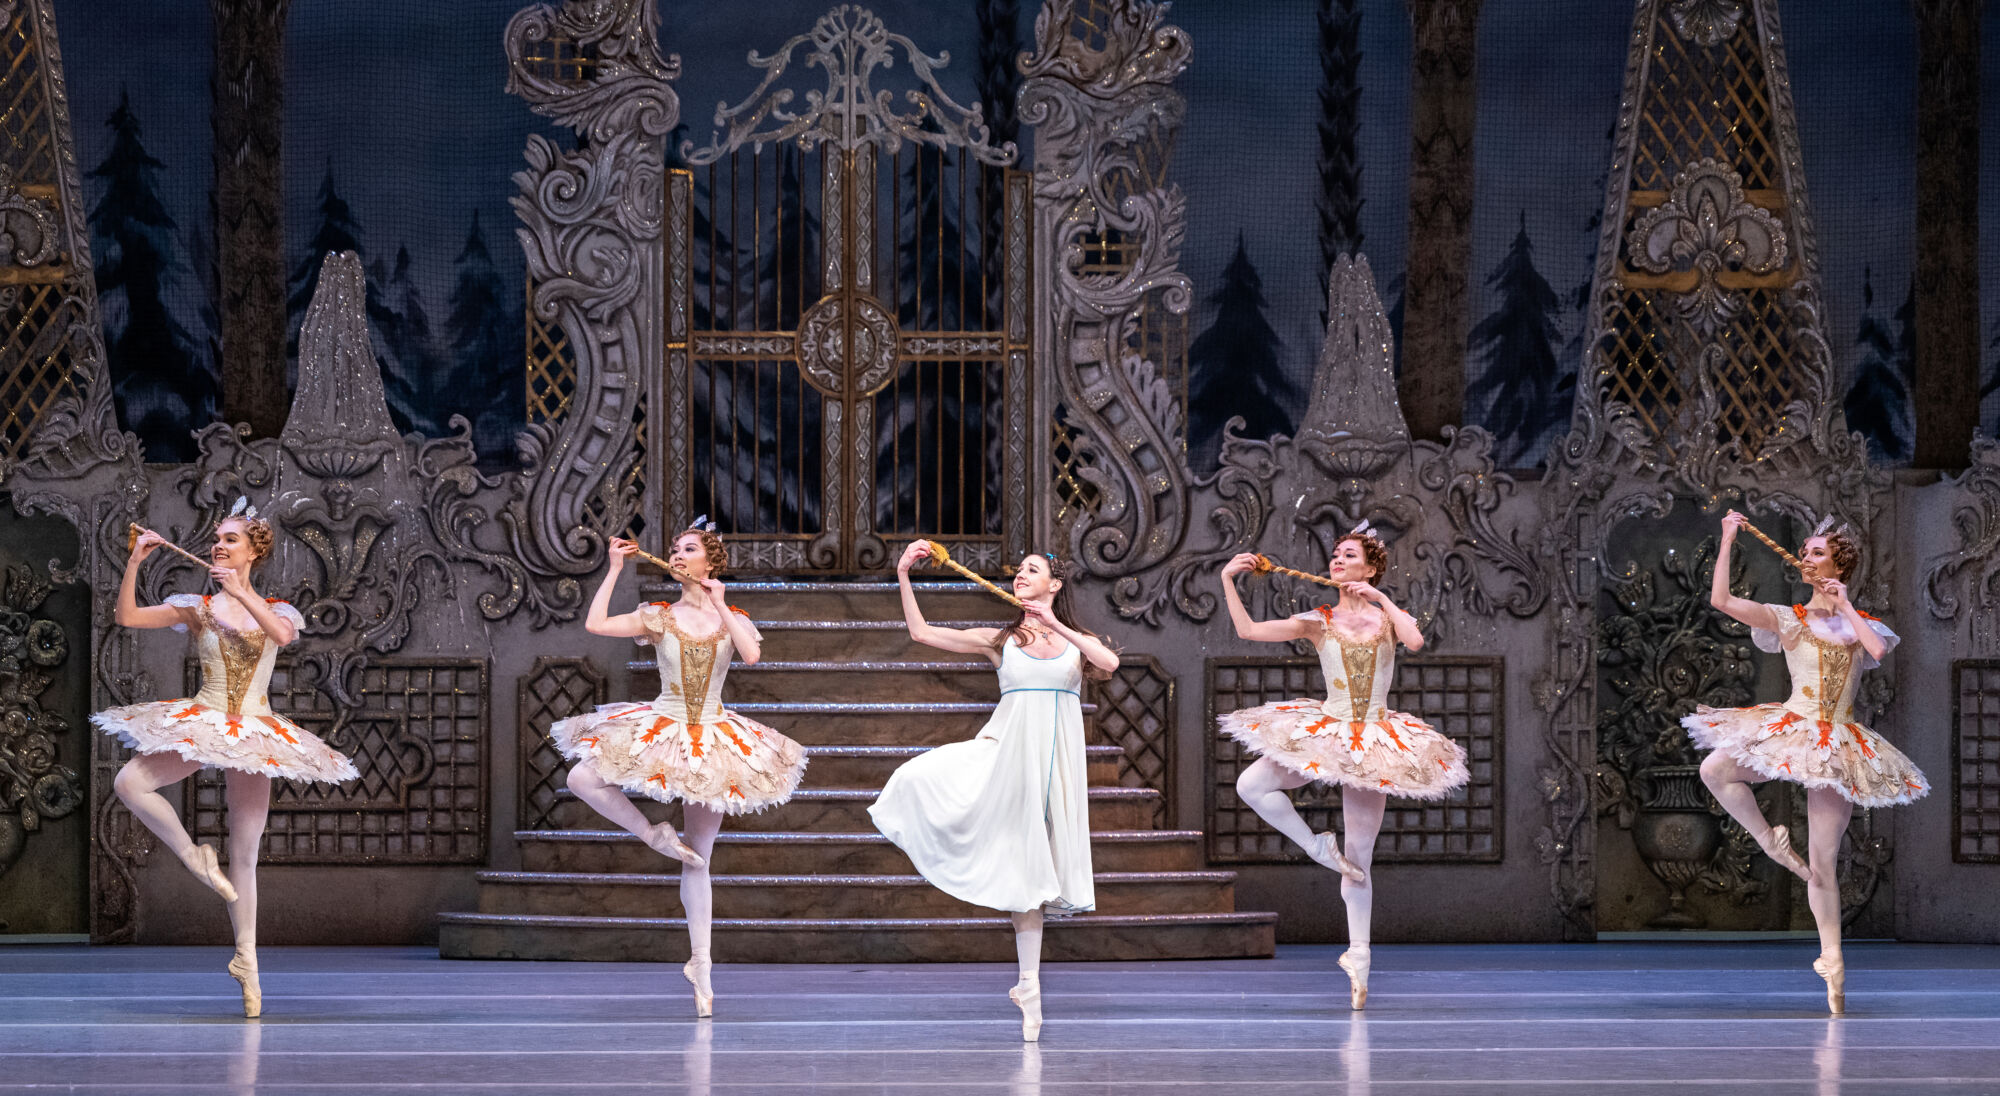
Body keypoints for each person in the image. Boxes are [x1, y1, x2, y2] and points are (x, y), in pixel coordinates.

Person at [93, 500, 357, 1018]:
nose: (218, 545)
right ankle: (194, 856)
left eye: (230, 539)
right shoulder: (198, 606)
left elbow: (281, 637)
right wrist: (135, 562)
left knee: (246, 857)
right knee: (130, 783)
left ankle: (247, 963)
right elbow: (126, 616)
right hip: (207, 718)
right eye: (216, 538)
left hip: (256, 729)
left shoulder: (279, 610)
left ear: (254, 549)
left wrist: (241, 592)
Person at [550, 523, 807, 1017]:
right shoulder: (659, 616)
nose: (678, 555)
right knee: (581, 777)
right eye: (675, 550)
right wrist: (614, 569)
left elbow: (751, 654)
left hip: (713, 735)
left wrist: (722, 602)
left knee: (699, 859)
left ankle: (702, 967)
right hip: (663, 725)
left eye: (689, 549)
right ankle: (653, 834)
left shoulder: (732, 617)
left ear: (708, 562)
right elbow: (596, 624)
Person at [869, 545, 1120, 1041]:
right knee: (920, 779)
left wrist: (1055, 622)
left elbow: (1108, 662)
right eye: (1019, 571)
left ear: (1055, 584)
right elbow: (921, 633)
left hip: (1054, 769)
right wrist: (902, 573)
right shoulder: (1000, 638)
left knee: (1033, 874)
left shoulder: (1076, 641)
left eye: (1033, 570)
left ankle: (1029, 985)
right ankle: (1029, 983)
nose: (1021, 576)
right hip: (1006, 756)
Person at [1214, 525, 1467, 1010]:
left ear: (1369, 568)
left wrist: (1381, 598)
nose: (1336, 560)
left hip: (1375, 738)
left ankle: (1359, 955)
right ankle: (1315, 846)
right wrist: (1229, 580)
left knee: (1360, 860)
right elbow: (1248, 630)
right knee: (1252, 785)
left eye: (1348, 555)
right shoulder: (1319, 618)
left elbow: (1414, 640)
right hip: (1328, 729)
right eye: (1334, 554)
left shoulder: (1386, 618)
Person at [1684, 512, 1927, 1013]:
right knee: (1715, 769)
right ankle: (1769, 843)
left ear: (1838, 563)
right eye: (1806, 551)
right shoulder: (1789, 617)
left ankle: (1833, 965)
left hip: (1839, 741)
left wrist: (1846, 603)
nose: (1807, 557)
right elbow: (1721, 601)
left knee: (1822, 865)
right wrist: (1729, 538)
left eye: (1817, 552)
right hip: (1794, 727)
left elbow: (1877, 648)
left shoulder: (1863, 625)